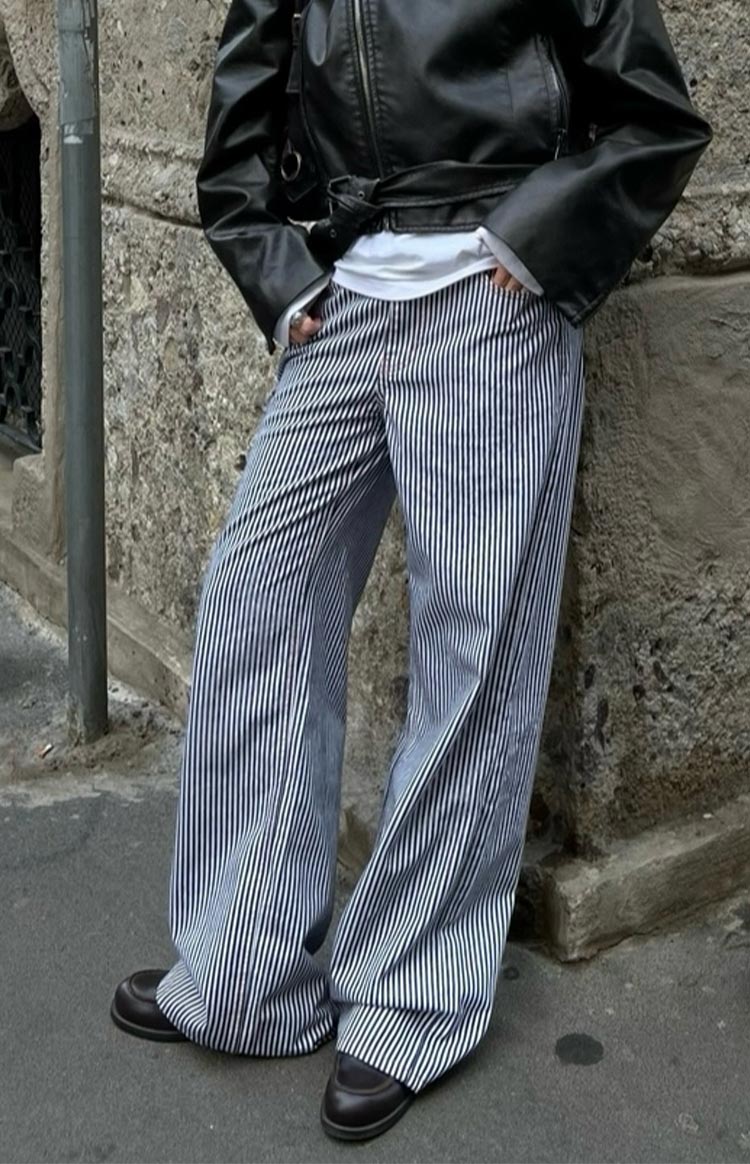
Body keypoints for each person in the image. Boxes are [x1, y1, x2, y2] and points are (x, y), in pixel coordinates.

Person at [111, 0, 711, 1142]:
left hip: (491, 301)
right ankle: (243, 970)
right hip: (341, 303)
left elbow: (654, 116)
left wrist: (526, 247)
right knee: (255, 601)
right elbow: (237, 124)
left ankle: (409, 997)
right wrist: (283, 277)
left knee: (473, 651)